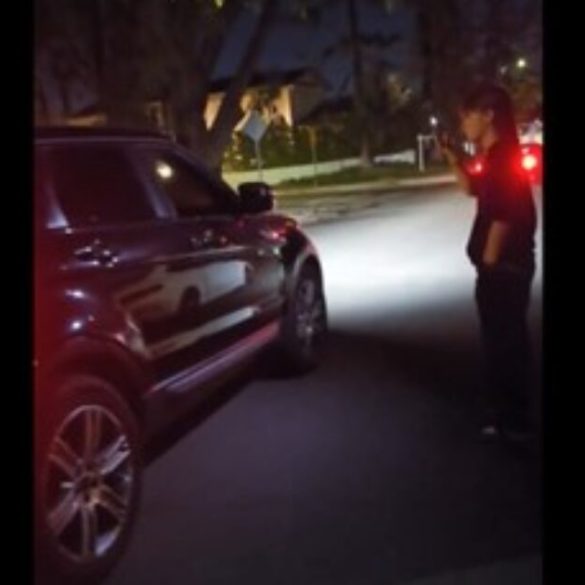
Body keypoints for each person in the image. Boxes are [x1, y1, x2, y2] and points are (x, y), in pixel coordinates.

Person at [439, 83, 538, 442]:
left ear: (488, 115)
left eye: (468, 116)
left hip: (505, 270)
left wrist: (489, 263)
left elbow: (504, 216)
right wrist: (453, 157)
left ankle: (514, 421)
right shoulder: (496, 157)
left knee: (505, 344)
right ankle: (506, 416)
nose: (464, 123)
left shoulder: (503, 159)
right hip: (505, 268)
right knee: (503, 342)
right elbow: (472, 189)